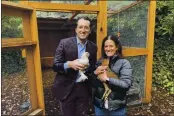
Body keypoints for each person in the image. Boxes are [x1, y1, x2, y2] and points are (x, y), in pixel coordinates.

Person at [52, 16, 97, 116]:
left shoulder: (93, 47)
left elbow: (92, 67)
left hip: (84, 87)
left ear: (90, 30)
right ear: (76, 30)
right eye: (80, 27)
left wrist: (90, 68)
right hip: (66, 88)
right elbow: (55, 66)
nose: (83, 30)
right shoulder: (64, 43)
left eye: (86, 27)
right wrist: (69, 64)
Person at [92, 35, 132, 116]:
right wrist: (94, 74)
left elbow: (126, 84)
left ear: (117, 47)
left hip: (117, 107)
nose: (108, 48)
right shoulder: (100, 62)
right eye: (106, 46)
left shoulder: (124, 63)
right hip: (100, 106)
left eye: (111, 46)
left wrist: (107, 79)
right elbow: (94, 84)